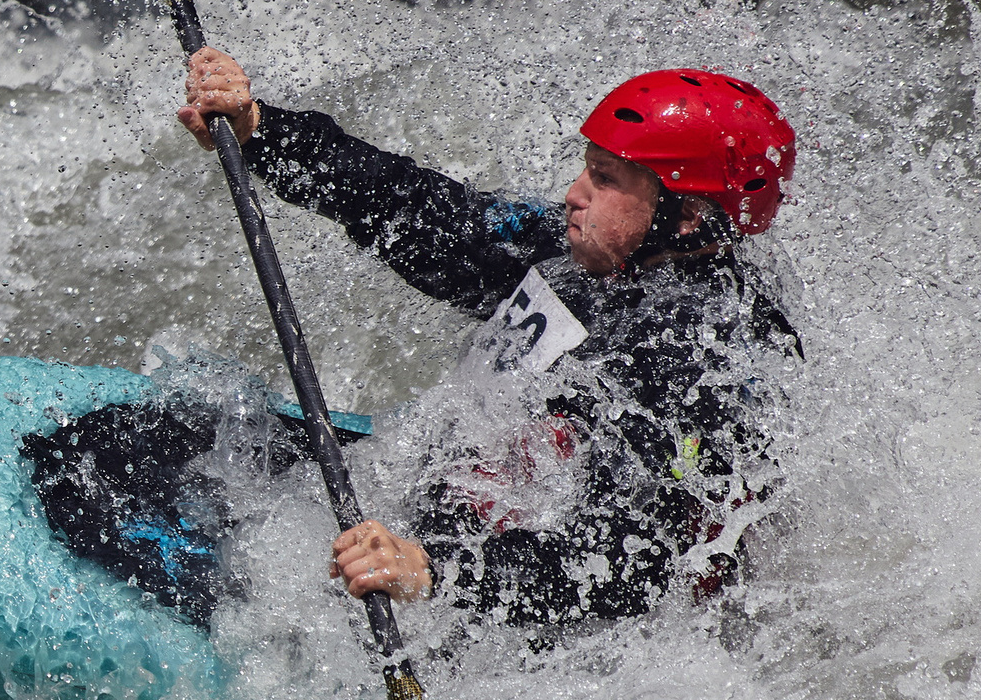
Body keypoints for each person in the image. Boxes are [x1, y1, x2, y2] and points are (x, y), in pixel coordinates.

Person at [177, 50, 801, 629]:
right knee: (146, 438)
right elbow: (421, 212)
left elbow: (634, 565)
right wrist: (262, 129)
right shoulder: (592, 256)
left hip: (536, 625)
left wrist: (434, 572)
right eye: (587, 169)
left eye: (606, 179)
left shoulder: (704, 360)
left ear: (688, 213)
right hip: (444, 514)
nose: (574, 195)